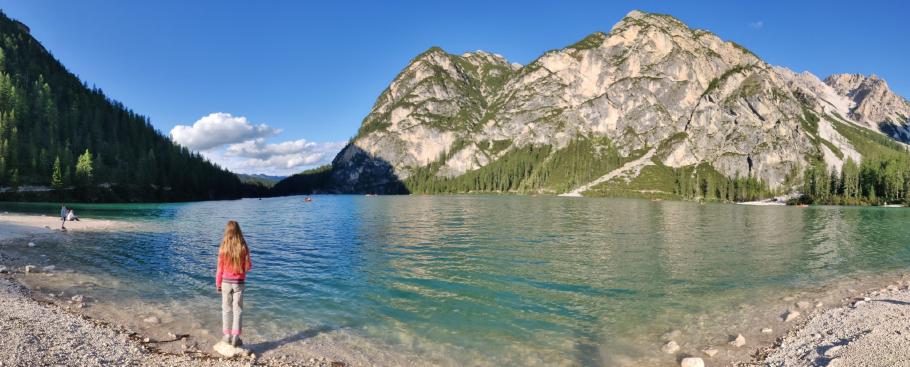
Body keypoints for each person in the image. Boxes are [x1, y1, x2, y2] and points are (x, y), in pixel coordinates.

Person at [215, 220, 252, 347]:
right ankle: (236, 336)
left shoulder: (223, 246)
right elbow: (248, 266)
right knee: (238, 309)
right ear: (238, 231)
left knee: (226, 309)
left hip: (225, 282)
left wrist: (218, 283)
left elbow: (219, 268)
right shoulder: (243, 245)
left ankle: (227, 335)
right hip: (239, 283)